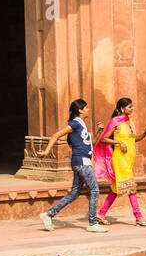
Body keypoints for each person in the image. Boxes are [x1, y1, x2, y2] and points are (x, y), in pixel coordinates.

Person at [39, 99, 105, 232]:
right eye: (86, 108)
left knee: (74, 193)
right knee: (94, 190)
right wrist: (46, 151)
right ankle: (92, 223)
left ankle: (48, 215)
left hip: (81, 162)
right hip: (82, 162)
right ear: (80, 110)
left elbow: (91, 142)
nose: (88, 110)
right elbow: (56, 135)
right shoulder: (75, 123)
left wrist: (99, 131)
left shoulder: (80, 124)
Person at [95, 98, 146, 226]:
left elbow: (133, 139)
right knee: (131, 187)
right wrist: (118, 142)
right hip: (119, 159)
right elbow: (104, 139)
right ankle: (138, 217)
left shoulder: (129, 121)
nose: (132, 109)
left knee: (116, 189)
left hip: (128, 159)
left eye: (132, 106)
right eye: (129, 107)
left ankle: (101, 213)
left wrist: (144, 134)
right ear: (121, 109)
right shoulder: (115, 122)